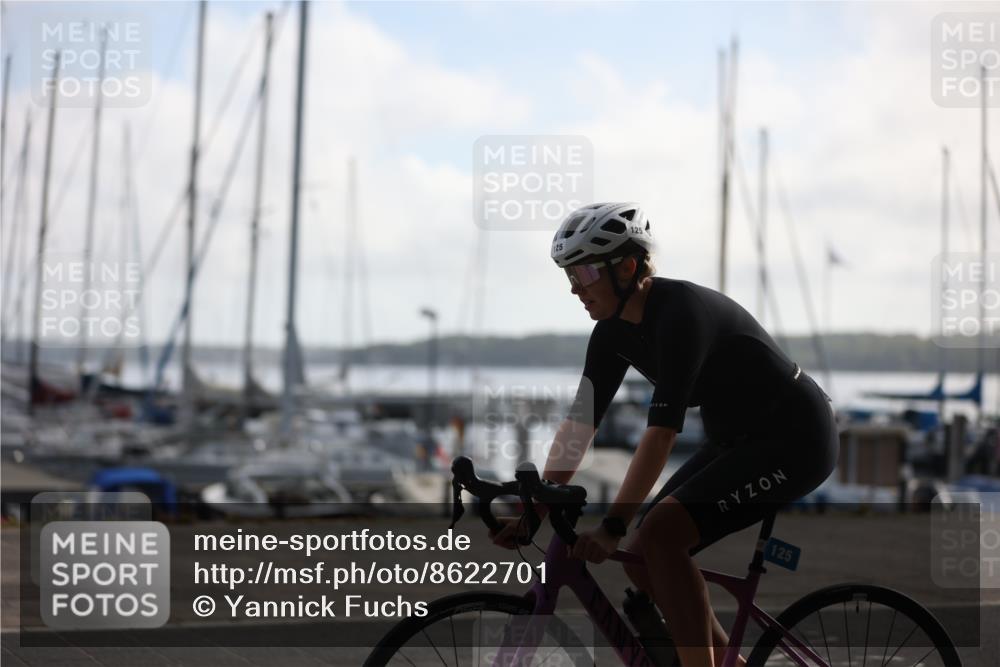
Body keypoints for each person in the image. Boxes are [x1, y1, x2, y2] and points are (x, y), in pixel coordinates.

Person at [491, 202, 839, 667]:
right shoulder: (611, 333)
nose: (575, 289)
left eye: (585, 274)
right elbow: (580, 423)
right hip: (736, 438)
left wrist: (614, 523)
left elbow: (660, 436)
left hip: (795, 437)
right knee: (645, 556)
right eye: (569, 277)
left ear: (627, 267)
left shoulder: (680, 315)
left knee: (658, 536)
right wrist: (535, 511)